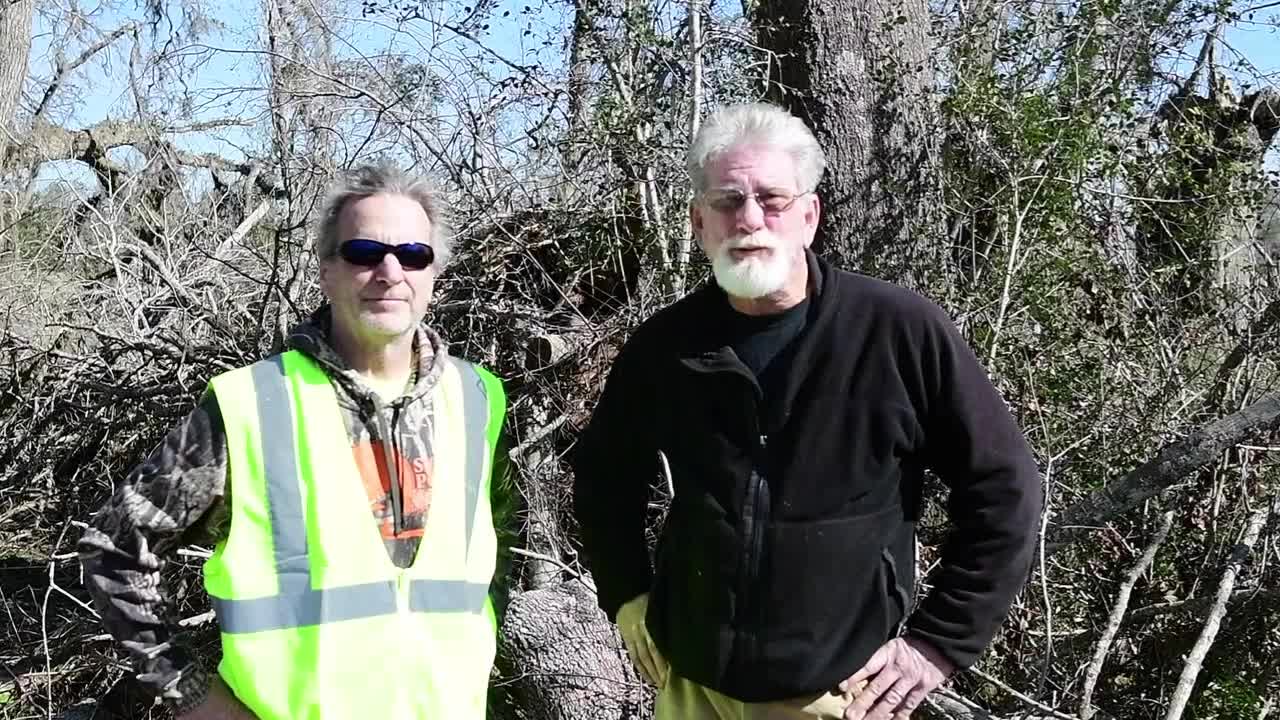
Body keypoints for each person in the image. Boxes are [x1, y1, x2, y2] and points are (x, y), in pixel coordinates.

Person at [570, 102, 1042, 720]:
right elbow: (606, 476)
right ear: (698, 222)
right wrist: (626, 590)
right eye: (727, 201)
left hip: (845, 695)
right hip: (693, 690)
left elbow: (1005, 487)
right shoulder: (667, 346)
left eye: (772, 199)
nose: (750, 219)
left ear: (809, 216)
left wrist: (939, 642)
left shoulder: (896, 332)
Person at [78, 162, 511, 719]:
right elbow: (114, 548)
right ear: (327, 271)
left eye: (412, 254)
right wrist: (193, 697)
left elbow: (490, 567)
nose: (388, 271)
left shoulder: (479, 398)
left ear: (433, 274)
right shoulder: (253, 403)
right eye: (362, 252)